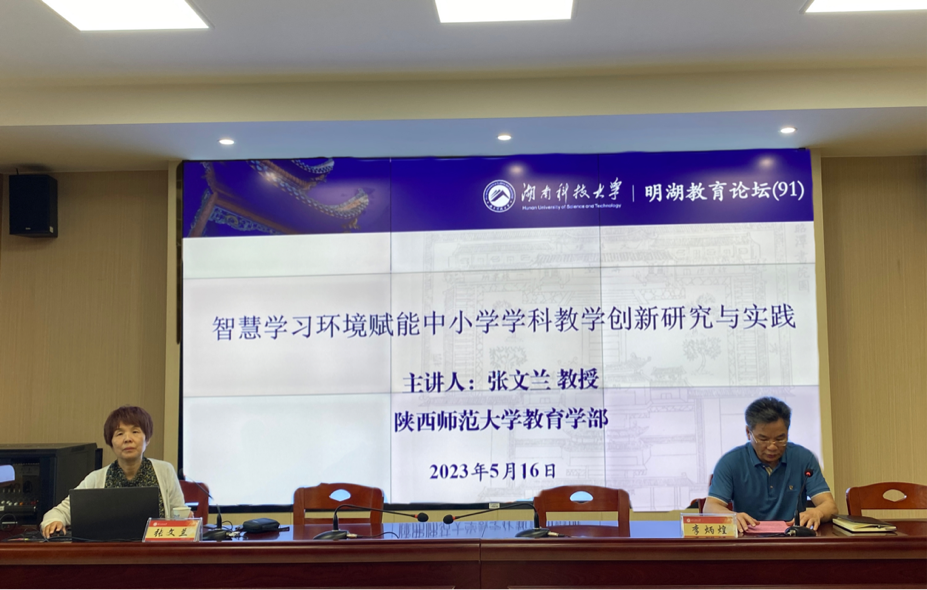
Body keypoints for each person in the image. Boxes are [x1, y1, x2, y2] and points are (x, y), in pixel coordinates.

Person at [41, 405, 187, 538]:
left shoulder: (165, 471)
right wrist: (54, 522)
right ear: (110, 442)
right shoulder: (96, 478)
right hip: (110, 553)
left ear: (147, 439)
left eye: (135, 431)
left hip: (156, 553)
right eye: (119, 434)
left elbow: (180, 514)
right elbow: (60, 512)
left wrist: (186, 519)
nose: (127, 439)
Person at [703, 397, 837, 534]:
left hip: (792, 539)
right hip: (747, 539)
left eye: (780, 438)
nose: (772, 447)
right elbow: (710, 507)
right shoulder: (730, 462)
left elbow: (830, 506)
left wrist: (817, 512)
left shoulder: (804, 458)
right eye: (763, 439)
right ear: (748, 433)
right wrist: (732, 517)